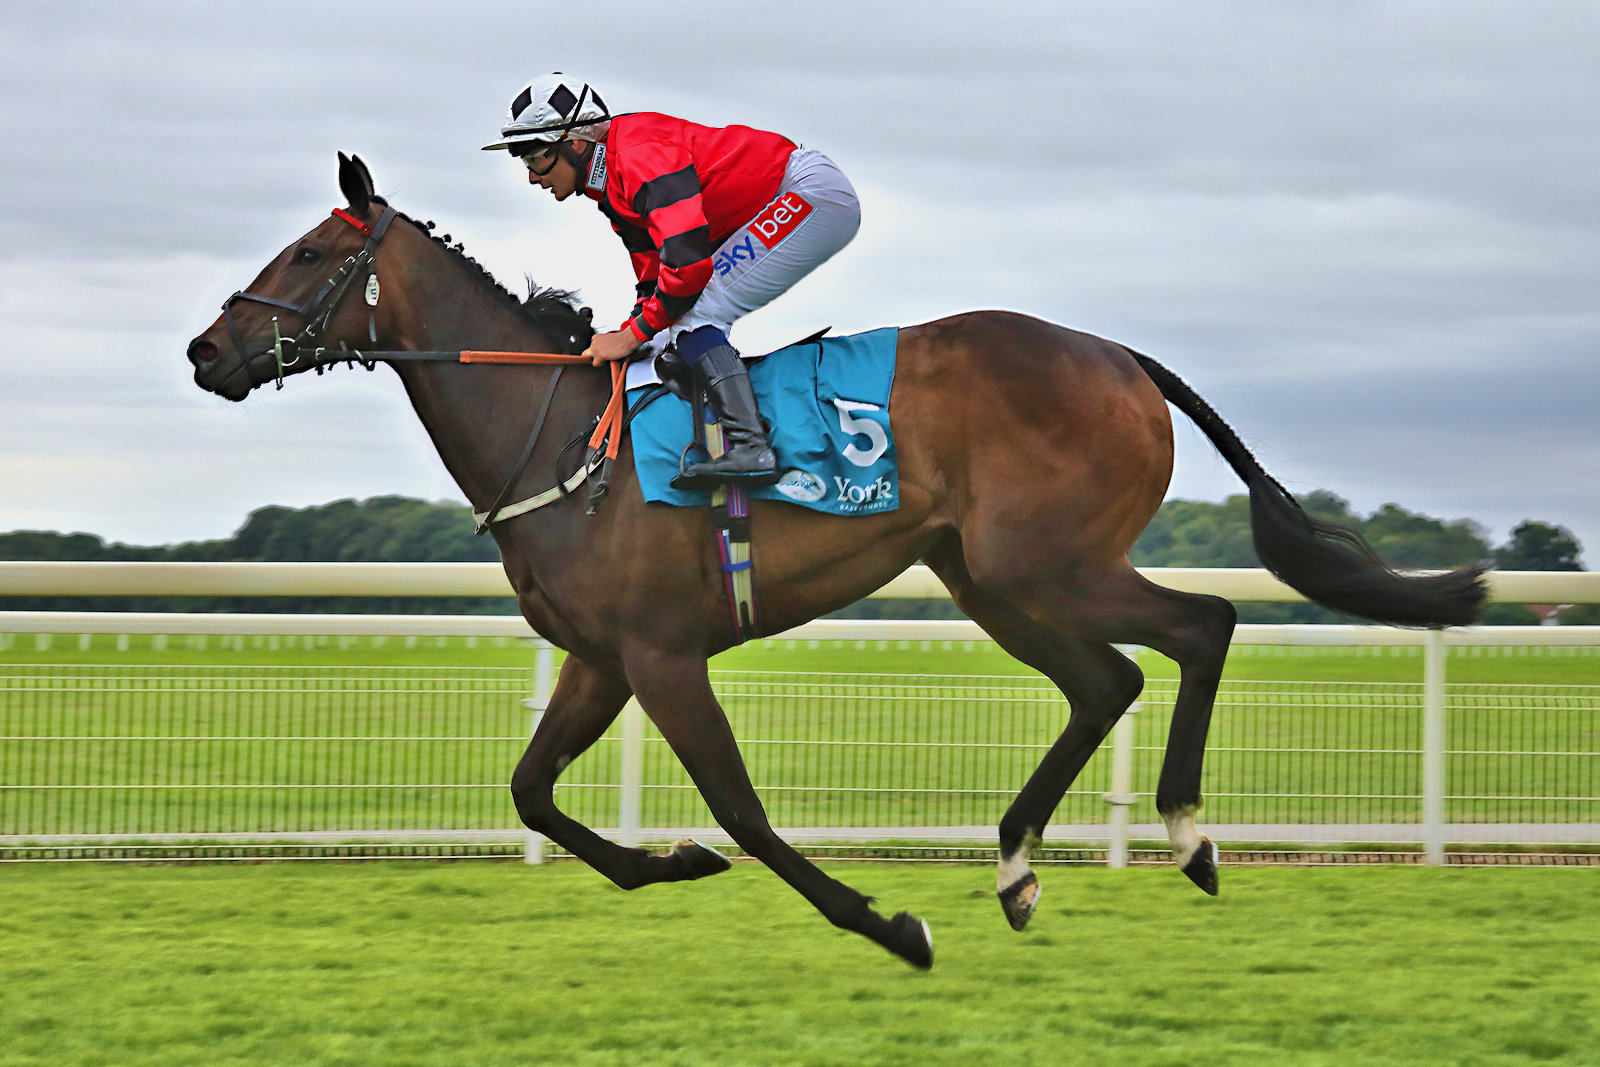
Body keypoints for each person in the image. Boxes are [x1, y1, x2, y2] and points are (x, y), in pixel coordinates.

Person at [483, 73, 860, 487]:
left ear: (574, 143)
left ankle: (752, 447)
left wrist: (631, 337)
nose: (532, 177)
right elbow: (652, 272)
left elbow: (688, 269)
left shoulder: (638, 158)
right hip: (780, 197)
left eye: (536, 159)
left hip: (808, 194)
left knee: (696, 312)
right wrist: (634, 330)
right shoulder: (606, 182)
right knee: (666, 330)